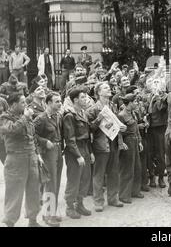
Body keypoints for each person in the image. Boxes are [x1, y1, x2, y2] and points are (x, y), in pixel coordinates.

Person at [0, 93, 42, 227]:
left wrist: (37, 154)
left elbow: (32, 136)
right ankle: (10, 222)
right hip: (16, 158)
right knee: (14, 192)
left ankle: (33, 220)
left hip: (31, 156)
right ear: (13, 104)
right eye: (23, 102)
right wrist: (25, 117)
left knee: (34, 190)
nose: (26, 105)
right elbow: (11, 130)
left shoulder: (25, 117)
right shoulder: (5, 117)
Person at [87, 82, 127, 212]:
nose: (109, 89)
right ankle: (98, 201)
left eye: (108, 87)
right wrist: (98, 118)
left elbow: (117, 124)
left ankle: (113, 198)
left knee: (114, 172)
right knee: (99, 174)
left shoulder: (113, 106)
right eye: (105, 88)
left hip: (114, 143)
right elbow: (89, 129)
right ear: (98, 93)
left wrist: (122, 127)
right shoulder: (93, 109)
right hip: (100, 145)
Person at [33, 92, 63, 227]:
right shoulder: (41, 118)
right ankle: (47, 214)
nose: (60, 103)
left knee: (56, 183)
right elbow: (32, 134)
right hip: (48, 153)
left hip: (57, 151)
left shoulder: (57, 116)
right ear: (49, 103)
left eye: (60, 101)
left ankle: (53, 212)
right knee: (50, 183)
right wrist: (45, 142)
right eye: (57, 101)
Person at [63, 87, 94, 219]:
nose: (86, 99)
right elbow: (70, 139)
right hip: (74, 151)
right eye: (83, 97)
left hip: (85, 148)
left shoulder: (83, 113)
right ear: (75, 100)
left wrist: (90, 152)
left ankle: (79, 204)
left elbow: (87, 136)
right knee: (74, 180)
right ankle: (70, 207)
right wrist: (78, 155)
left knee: (85, 179)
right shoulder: (70, 116)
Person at [117, 93, 144, 203]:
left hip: (134, 141)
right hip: (127, 142)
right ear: (130, 103)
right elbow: (118, 131)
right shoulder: (121, 115)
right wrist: (121, 143)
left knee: (137, 167)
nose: (137, 103)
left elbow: (136, 128)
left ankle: (135, 191)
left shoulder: (132, 113)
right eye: (135, 101)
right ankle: (124, 195)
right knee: (127, 169)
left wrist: (140, 141)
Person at [147, 78, 168, 188]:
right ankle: (151, 177)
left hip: (160, 129)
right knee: (150, 154)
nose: (155, 84)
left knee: (160, 154)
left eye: (157, 82)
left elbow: (161, 108)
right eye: (154, 83)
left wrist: (158, 97)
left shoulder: (164, 97)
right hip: (149, 129)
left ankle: (160, 177)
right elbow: (147, 111)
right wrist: (151, 99)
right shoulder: (147, 96)